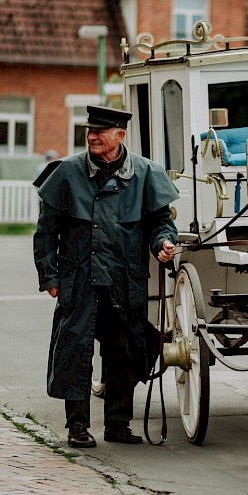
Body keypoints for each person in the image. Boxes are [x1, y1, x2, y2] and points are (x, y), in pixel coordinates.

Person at [33, 105, 179, 448]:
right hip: (80, 280)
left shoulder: (146, 173)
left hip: (124, 280)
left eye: (101, 131)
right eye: (90, 130)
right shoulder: (67, 173)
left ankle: (117, 424)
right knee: (77, 351)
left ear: (120, 135)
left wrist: (164, 243)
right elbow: (45, 232)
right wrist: (49, 276)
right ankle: (78, 427)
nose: (93, 136)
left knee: (124, 353)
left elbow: (161, 222)